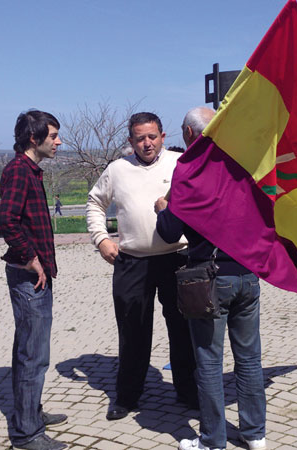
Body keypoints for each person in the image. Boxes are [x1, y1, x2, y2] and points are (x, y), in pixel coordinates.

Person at [156, 106, 267, 450]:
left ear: (189, 134)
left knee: (208, 360)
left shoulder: (188, 171)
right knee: (249, 359)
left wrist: (163, 207)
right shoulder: (240, 165)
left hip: (210, 278)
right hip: (247, 274)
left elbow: (170, 231)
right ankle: (255, 435)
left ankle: (212, 440)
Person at [86, 112, 197, 421]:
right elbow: (94, 203)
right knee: (133, 331)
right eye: (140, 138)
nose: (147, 143)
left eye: (152, 136)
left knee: (183, 330)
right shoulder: (117, 170)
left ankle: (189, 391)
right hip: (132, 262)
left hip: (177, 259)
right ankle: (127, 395)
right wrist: (101, 239)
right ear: (130, 141)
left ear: (162, 136)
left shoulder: (179, 164)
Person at [0, 110, 67, 450]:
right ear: (33, 138)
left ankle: (30, 414)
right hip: (29, 279)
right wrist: (32, 259)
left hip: (35, 275)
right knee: (32, 356)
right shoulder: (20, 172)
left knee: (30, 350)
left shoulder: (29, 171)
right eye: (53, 136)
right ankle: (27, 434)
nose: (59, 141)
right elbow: (6, 220)